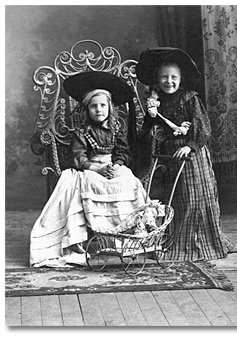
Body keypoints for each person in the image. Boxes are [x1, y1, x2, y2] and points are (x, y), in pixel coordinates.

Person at [30, 71, 148, 267]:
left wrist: (117, 165)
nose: (99, 110)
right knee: (94, 184)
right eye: (94, 106)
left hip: (113, 165)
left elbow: (123, 153)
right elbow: (79, 158)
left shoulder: (117, 130)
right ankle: (99, 239)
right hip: (92, 168)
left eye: (103, 105)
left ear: (110, 108)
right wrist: (97, 169)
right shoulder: (82, 132)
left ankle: (126, 239)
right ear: (87, 110)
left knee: (128, 180)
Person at [136, 47, 237, 261]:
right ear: (157, 79)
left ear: (181, 79)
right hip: (173, 155)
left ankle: (202, 242)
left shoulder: (190, 98)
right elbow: (149, 128)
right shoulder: (158, 101)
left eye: (173, 77)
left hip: (193, 154)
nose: (169, 81)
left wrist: (190, 145)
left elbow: (203, 127)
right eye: (164, 77)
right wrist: (151, 114)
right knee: (178, 198)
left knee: (195, 197)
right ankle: (178, 238)